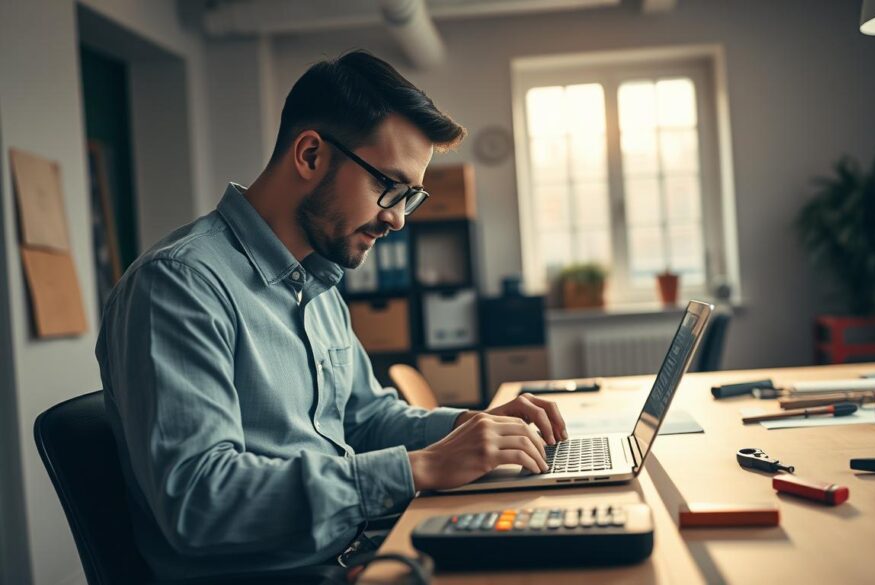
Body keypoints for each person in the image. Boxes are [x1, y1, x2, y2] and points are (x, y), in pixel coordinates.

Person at [96, 50, 568, 580]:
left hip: (357, 552)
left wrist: (473, 427)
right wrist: (422, 467)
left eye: (409, 198)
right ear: (310, 155)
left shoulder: (318, 282)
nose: (397, 219)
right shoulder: (179, 284)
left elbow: (365, 419)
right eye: (388, 188)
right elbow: (200, 502)